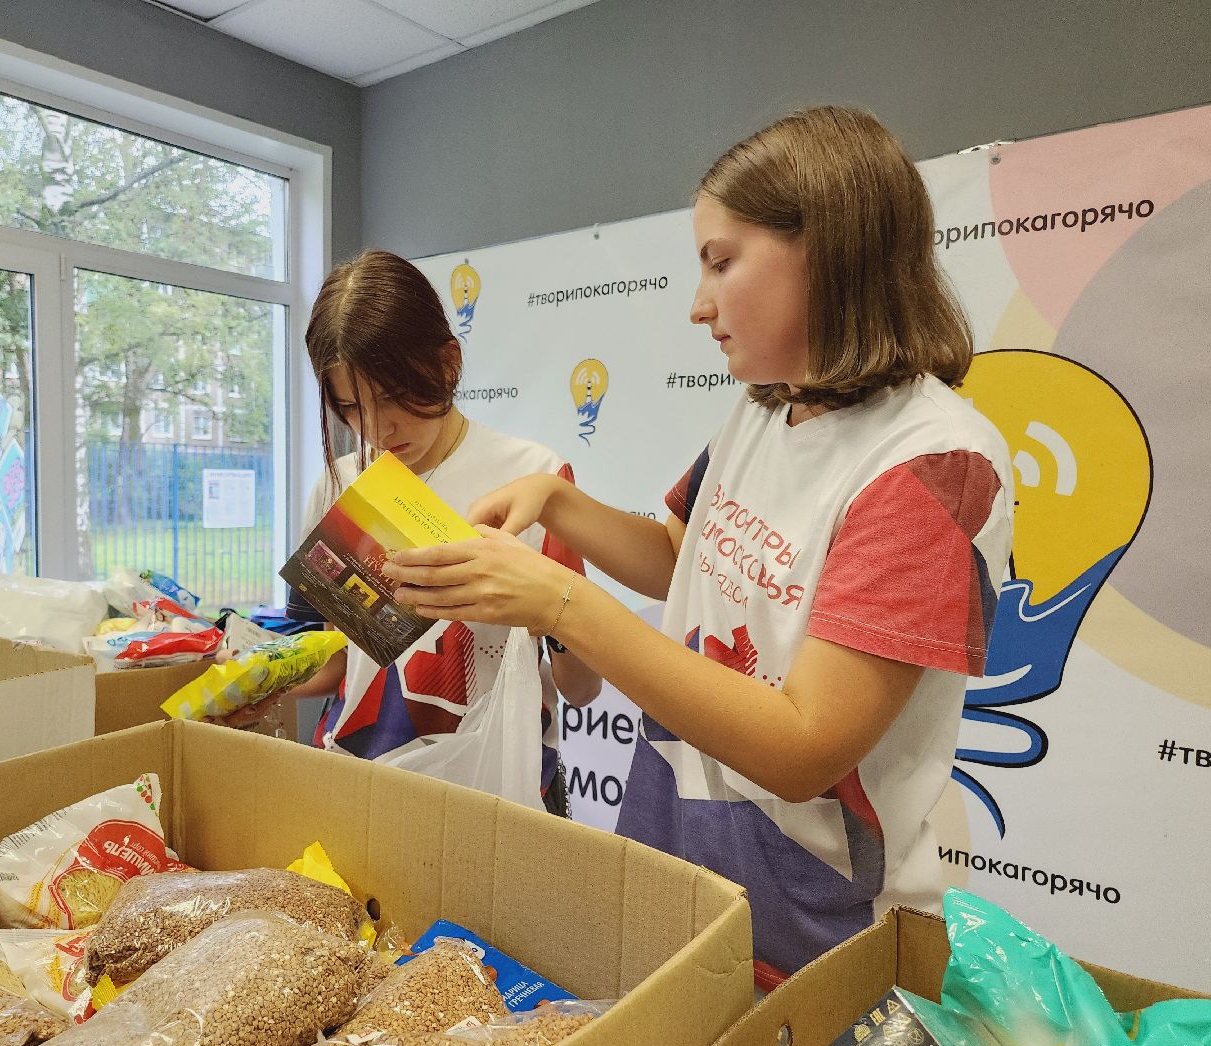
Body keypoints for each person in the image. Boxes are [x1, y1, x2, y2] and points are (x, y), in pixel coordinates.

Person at [382, 106, 1014, 988]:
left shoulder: (933, 465)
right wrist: (558, 503)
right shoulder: (767, 407)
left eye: (721, 262)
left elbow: (804, 747)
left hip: (815, 927)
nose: (698, 305)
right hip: (684, 864)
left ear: (831, 252)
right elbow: (682, 556)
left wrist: (560, 602)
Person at [274, 249, 601, 815]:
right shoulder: (339, 484)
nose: (377, 429)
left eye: (393, 397)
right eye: (351, 407)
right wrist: (255, 683)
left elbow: (582, 687)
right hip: (360, 781)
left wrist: (551, 605)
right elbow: (339, 664)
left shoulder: (532, 478)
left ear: (449, 362)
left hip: (493, 795)